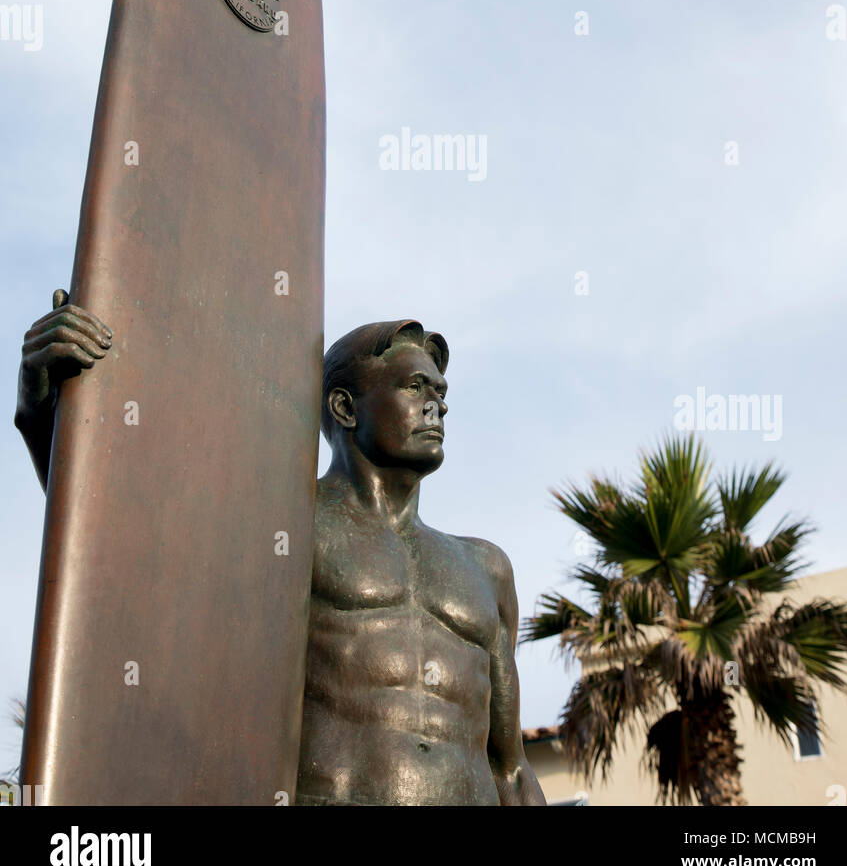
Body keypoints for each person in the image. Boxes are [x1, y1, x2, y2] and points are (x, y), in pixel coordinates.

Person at [16, 298, 545, 806]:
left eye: (440, 392)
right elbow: (113, 542)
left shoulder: (485, 568)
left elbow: (511, 768)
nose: (437, 405)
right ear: (343, 407)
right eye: (414, 387)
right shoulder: (276, 527)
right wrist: (39, 409)